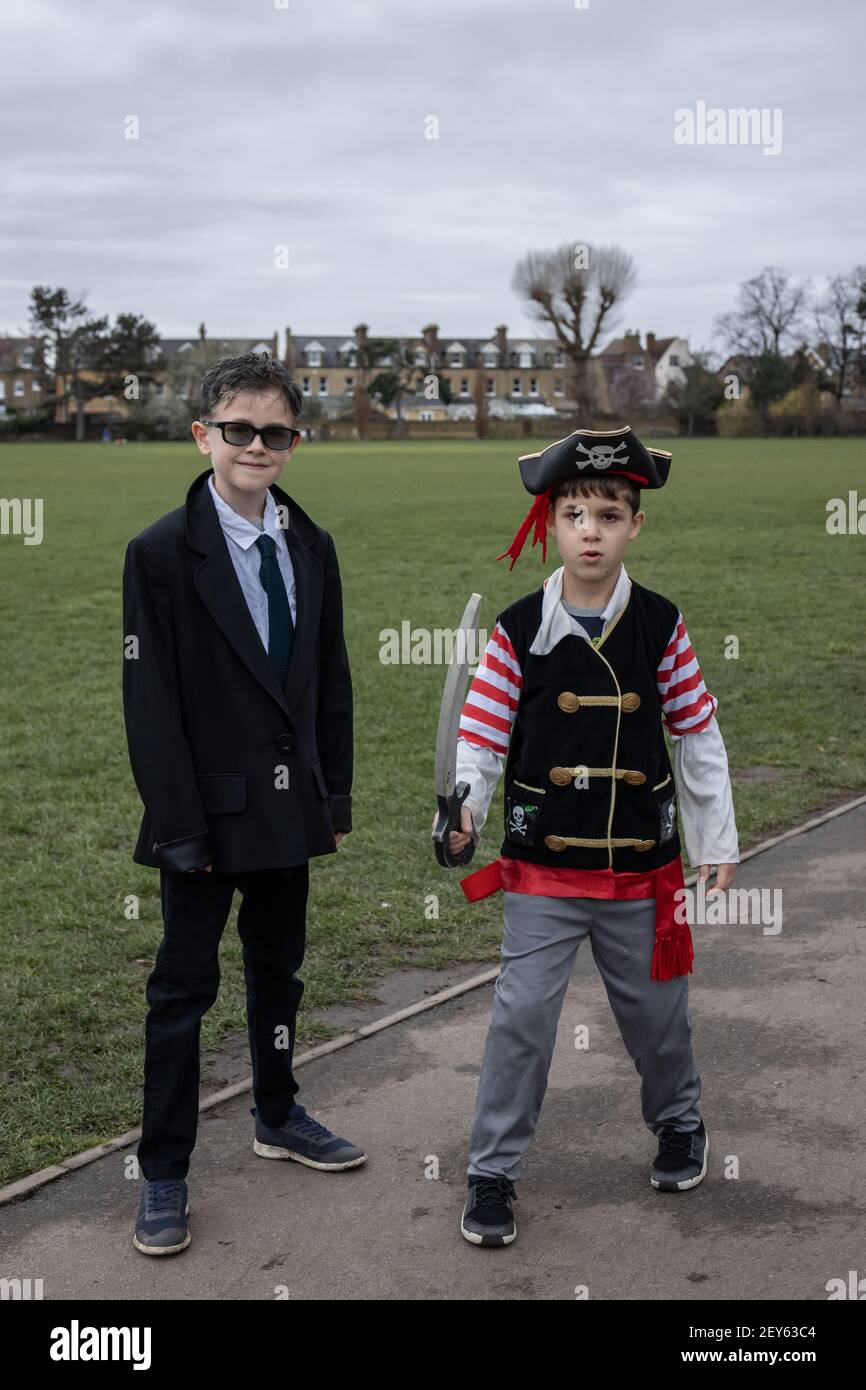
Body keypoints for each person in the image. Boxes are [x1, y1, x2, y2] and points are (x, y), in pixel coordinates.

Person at [440, 426, 739, 1247]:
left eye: (609, 514)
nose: (592, 531)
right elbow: (481, 737)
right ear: (552, 523)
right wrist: (464, 806)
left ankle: (680, 1123)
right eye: (575, 513)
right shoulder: (515, 629)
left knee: (658, 1018)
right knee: (522, 1019)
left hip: (646, 870)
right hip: (542, 870)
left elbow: (696, 732)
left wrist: (715, 841)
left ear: (635, 525)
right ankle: (493, 1172)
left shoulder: (661, 625)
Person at [122, 351, 364, 1257]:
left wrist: (331, 793)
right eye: (238, 430)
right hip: (204, 817)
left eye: (274, 432)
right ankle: (164, 1173)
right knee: (182, 992)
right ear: (204, 436)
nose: (255, 445)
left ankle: (276, 1111)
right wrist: (184, 828)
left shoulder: (312, 544)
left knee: (280, 972)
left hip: (288, 807)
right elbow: (150, 707)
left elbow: (329, 681)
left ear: (293, 444)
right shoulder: (159, 552)